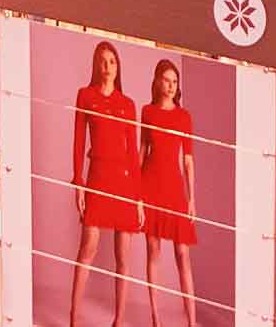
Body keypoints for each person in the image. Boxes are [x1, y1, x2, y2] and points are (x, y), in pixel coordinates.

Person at [67, 40, 142, 327]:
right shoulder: (85, 96)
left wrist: (138, 198)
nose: (107, 66)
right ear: (95, 65)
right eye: (102, 61)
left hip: (124, 182)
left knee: (123, 257)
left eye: (112, 61)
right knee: (88, 247)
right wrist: (79, 183)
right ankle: (74, 318)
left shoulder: (127, 104)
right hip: (97, 178)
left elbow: (133, 154)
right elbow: (78, 142)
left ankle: (119, 320)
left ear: (118, 66)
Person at [138, 59, 196, 327]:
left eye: (175, 82)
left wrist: (191, 199)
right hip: (150, 186)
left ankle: (191, 321)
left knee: (183, 254)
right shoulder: (147, 112)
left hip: (174, 189)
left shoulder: (184, 116)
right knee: (153, 251)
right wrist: (136, 195)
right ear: (157, 81)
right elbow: (142, 153)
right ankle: (156, 319)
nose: (171, 86)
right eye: (167, 80)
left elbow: (188, 160)